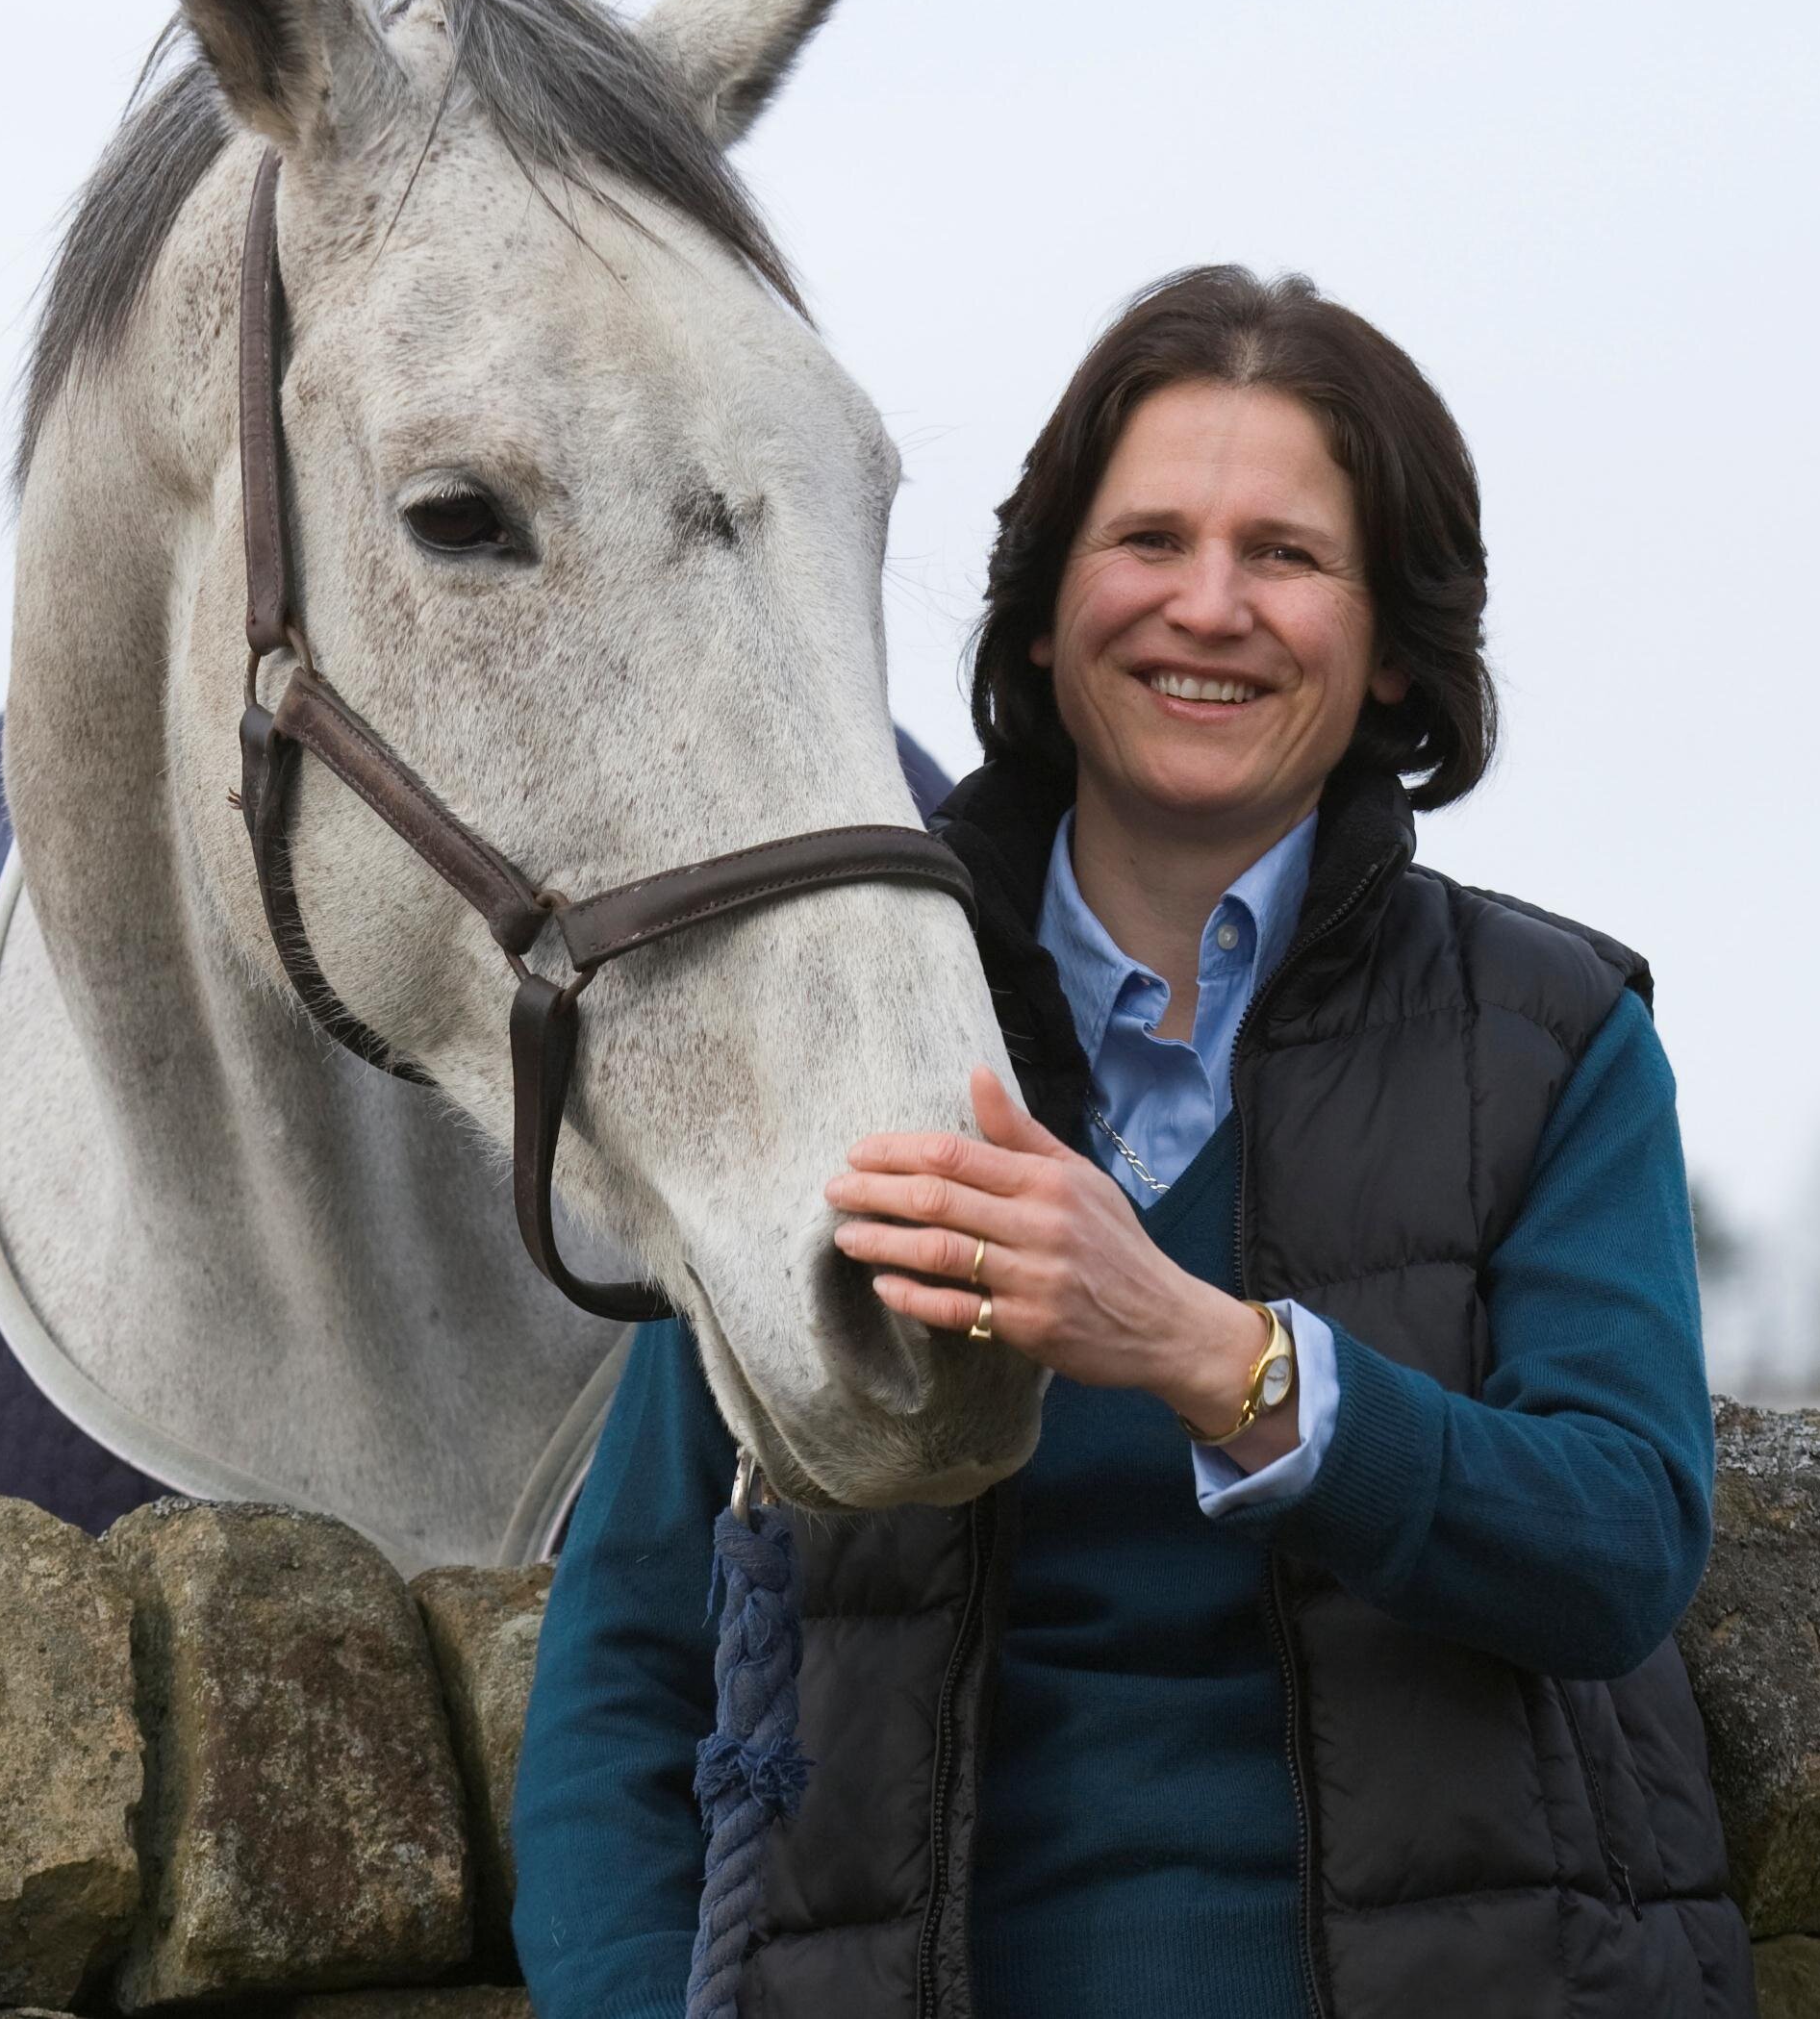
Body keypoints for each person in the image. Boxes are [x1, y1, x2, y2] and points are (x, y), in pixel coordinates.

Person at [509, 266, 1757, 2019]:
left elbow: (1622, 1546)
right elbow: (631, 1665)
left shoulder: (1551, 1040)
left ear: (1390, 640)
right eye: (1149, 538)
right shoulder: (831, 1038)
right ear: (1040, 611)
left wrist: (1200, 1350)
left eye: (1288, 555)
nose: (1210, 604)